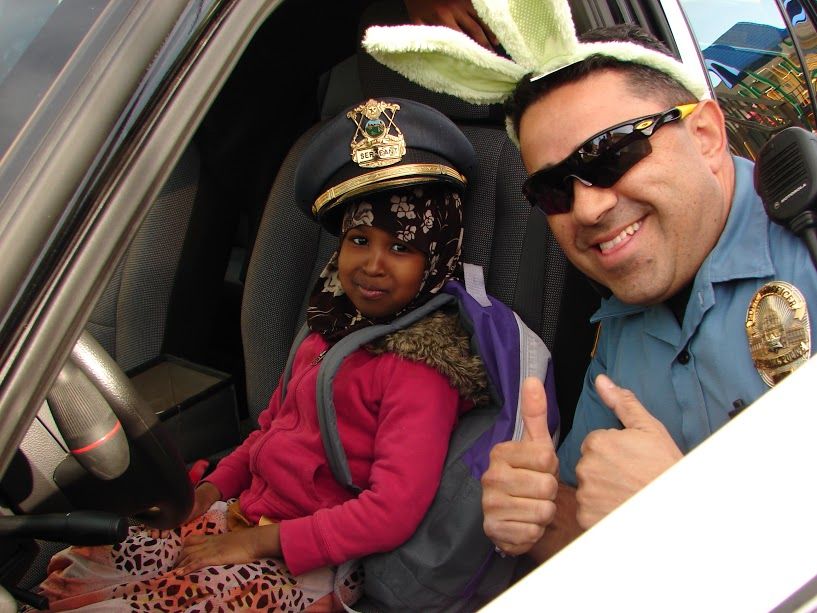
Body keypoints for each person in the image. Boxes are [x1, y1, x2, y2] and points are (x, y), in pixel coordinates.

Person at [27, 98, 487, 612]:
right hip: (250, 513)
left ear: (437, 257)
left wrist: (251, 543)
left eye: (401, 248)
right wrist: (211, 489)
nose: (373, 265)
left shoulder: (420, 373)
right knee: (95, 556)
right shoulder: (327, 334)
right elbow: (269, 432)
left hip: (311, 560)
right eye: (359, 240)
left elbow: (391, 512)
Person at [480, 24, 817, 560]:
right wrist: (540, 514)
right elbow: (590, 515)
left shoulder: (808, 242)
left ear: (705, 136)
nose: (587, 209)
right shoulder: (618, 330)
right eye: (553, 189)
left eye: (610, 154)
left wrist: (686, 516)